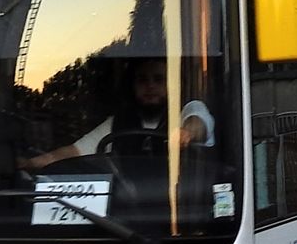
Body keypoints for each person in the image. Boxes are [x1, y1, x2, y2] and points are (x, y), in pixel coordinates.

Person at [26, 57, 214, 170]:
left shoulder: (190, 110)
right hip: (128, 213)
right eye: (142, 80)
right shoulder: (117, 123)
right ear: (132, 86)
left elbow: (196, 124)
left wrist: (185, 134)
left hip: (182, 212)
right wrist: (27, 164)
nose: (150, 86)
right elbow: (73, 152)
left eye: (158, 80)